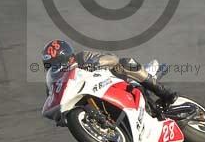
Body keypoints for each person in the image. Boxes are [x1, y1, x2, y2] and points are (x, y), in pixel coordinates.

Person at [41, 39, 178, 106]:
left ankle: (164, 92)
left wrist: (95, 64)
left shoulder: (82, 57)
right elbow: (53, 102)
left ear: (67, 57)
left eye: (57, 62)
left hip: (114, 81)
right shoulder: (54, 83)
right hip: (90, 100)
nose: (55, 67)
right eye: (51, 65)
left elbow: (112, 59)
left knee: (126, 63)